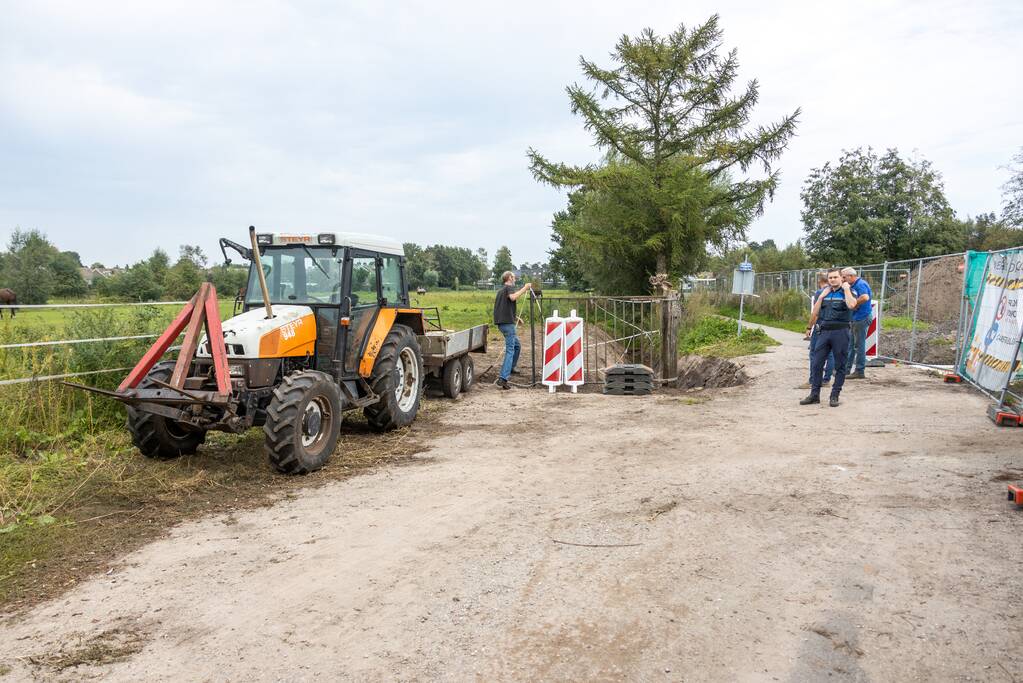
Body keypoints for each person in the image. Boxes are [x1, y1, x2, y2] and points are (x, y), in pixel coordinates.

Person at [801, 268, 857, 407]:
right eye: (830, 278)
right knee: (816, 363)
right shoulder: (823, 293)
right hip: (824, 332)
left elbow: (852, 305)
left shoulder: (849, 291)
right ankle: (814, 395)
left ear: (841, 278)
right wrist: (820, 297)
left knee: (840, 366)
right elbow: (815, 312)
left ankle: (834, 395)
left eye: (835, 277)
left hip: (841, 332)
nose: (832, 280)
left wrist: (846, 290)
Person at [493, 271, 532, 390]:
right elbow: (513, 297)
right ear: (509, 278)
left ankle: (511, 367)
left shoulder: (500, 291)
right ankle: (503, 378)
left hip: (503, 324)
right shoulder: (509, 288)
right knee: (510, 350)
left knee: (517, 346)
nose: (515, 279)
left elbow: (503, 308)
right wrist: (525, 288)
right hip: (507, 325)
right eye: (514, 277)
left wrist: (515, 318)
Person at [801, 272, 835, 389]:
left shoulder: (820, 293)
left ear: (820, 282)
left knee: (814, 353)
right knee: (830, 354)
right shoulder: (836, 292)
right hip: (833, 327)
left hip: (821, 326)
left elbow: (815, 313)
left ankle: (812, 380)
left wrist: (809, 327)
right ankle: (826, 380)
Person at [841, 267, 872, 379]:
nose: (842, 279)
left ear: (851, 276)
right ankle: (847, 370)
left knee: (859, 346)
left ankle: (859, 371)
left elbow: (865, 297)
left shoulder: (860, 284)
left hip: (861, 318)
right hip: (857, 318)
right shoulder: (854, 284)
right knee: (852, 345)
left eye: (844, 277)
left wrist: (855, 304)